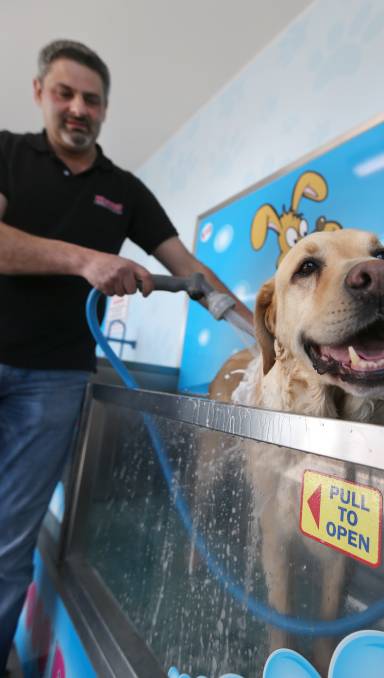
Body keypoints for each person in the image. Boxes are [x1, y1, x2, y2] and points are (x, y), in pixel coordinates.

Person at [0, 39, 253, 673]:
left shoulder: (124, 190)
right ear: (40, 94)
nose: (78, 108)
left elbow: (190, 272)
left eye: (92, 99)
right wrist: (85, 259)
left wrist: (260, 334)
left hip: (55, 382)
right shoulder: (7, 152)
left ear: (105, 110)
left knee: (9, 542)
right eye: (66, 93)